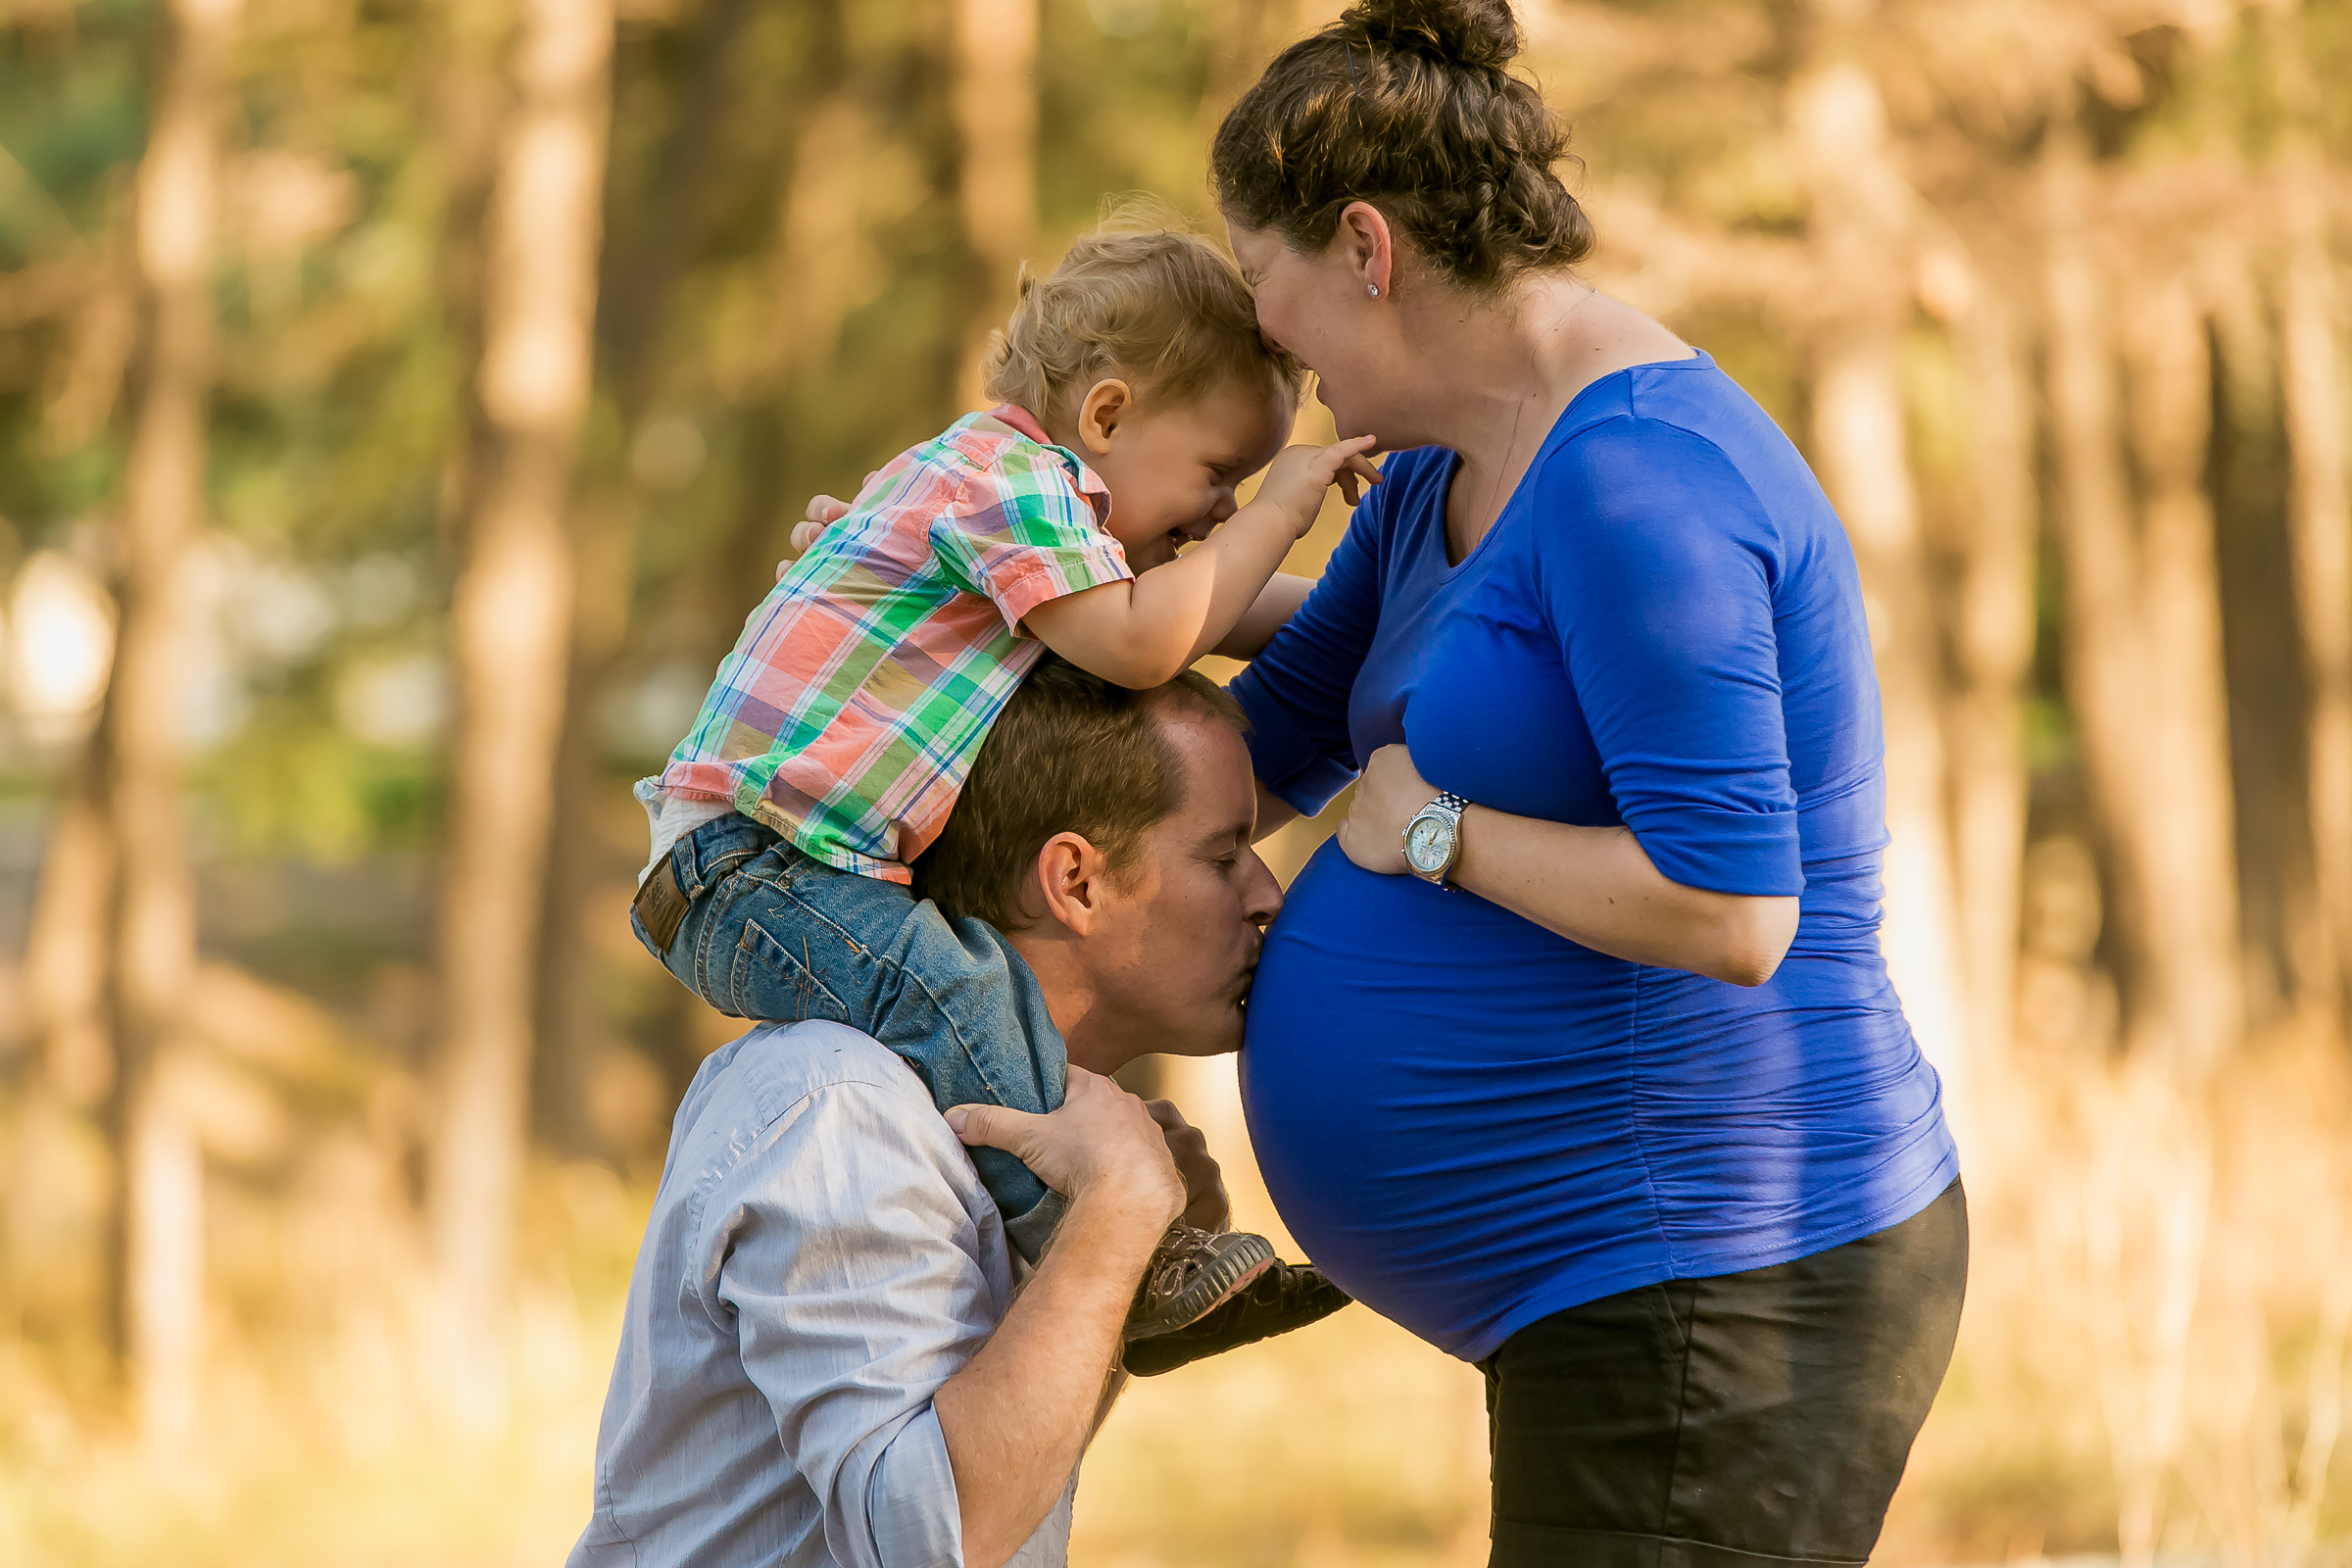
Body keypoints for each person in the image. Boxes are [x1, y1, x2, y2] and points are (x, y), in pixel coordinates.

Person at [1206, 2, 1968, 1563]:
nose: (1257, 339)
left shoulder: (1635, 487)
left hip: (1724, 1277)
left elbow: (1735, 910)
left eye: (1258, 282)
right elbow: (1272, 739)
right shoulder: (1440, 456)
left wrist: (1432, 833)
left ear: (1365, 247)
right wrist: (969, 632)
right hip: (1617, 1288)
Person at [627, 226, 1379, 1339]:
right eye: (1219, 475)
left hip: (779, 861)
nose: (1226, 511)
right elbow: (1150, 643)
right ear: (1108, 416)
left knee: (971, 997)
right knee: (960, 994)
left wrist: (1388, 607)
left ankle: (1107, 1246)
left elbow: (1239, 612)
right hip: (746, 864)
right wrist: (1285, 510)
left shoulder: (1019, 503)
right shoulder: (1005, 480)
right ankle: (1126, 1256)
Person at [572, 663, 1349, 1568]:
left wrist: (1107, 1260)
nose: (1267, 897)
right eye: (1222, 857)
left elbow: (1000, 1479)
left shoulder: (999, 1134)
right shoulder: (844, 1108)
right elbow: (931, 1539)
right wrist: (1114, 1219)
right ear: (1075, 881)